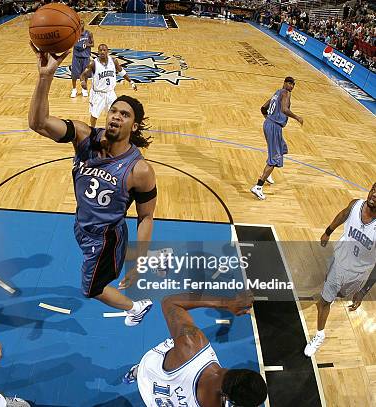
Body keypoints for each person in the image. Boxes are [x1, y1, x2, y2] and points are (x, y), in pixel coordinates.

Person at [28, 43, 155, 327]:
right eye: (114, 111)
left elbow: (145, 217)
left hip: (107, 238)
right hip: (82, 224)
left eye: (124, 115)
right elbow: (38, 123)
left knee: (91, 289)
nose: (116, 116)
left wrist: (139, 261)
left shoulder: (139, 170)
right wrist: (45, 76)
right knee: (91, 275)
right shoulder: (84, 136)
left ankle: (136, 306)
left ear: (134, 127)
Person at [123, 293, 268, 407]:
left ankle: (135, 372)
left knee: (171, 347)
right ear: (230, 399)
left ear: (241, 370)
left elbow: (170, 302)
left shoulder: (192, 345)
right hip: (152, 400)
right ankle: (136, 373)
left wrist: (227, 303)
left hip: (147, 369)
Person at [304, 182, 376, 357]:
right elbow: (343, 214)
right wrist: (328, 231)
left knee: (340, 295)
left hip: (358, 274)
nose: (374, 194)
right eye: (374, 189)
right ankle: (320, 334)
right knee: (325, 300)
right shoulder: (355, 204)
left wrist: (363, 291)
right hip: (338, 262)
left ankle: (334, 294)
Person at [250, 76, 303, 200]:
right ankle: (258, 186)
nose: (291, 86)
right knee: (275, 158)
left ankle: (267, 173)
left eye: (293, 84)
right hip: (274, 127)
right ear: (284, 83)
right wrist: (297, 117)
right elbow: (284, 109)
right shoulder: (285, 93)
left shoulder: (277, 93)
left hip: (269, 124)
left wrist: (268, 120)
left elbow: (263, 108)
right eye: (289, 83)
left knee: (283, 148)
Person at [80, 43, 137, 127]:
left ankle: (111, 129)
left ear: (108, 51)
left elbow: (121, 72)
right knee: (94, 115)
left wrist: (131, 81)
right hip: (98, 94)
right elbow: (83, 75)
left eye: (104, 50)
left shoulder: (113, 61)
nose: (102, 52)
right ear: (98, 52)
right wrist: (83, 82)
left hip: (110, 93)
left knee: (115, 113)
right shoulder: (93, 63)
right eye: (100, 50)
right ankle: (92, 130)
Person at [70, 20, 93, 98]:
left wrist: (87, 44)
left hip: (86, 56)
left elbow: (92, 43)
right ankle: (74, 89)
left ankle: (84, 89)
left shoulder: (89, 33)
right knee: (74, 75)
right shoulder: (74, 34)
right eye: (79, 24)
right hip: (76, 57)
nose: (80, 25)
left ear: (84, 24)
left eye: (82, 23)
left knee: (85, 74)